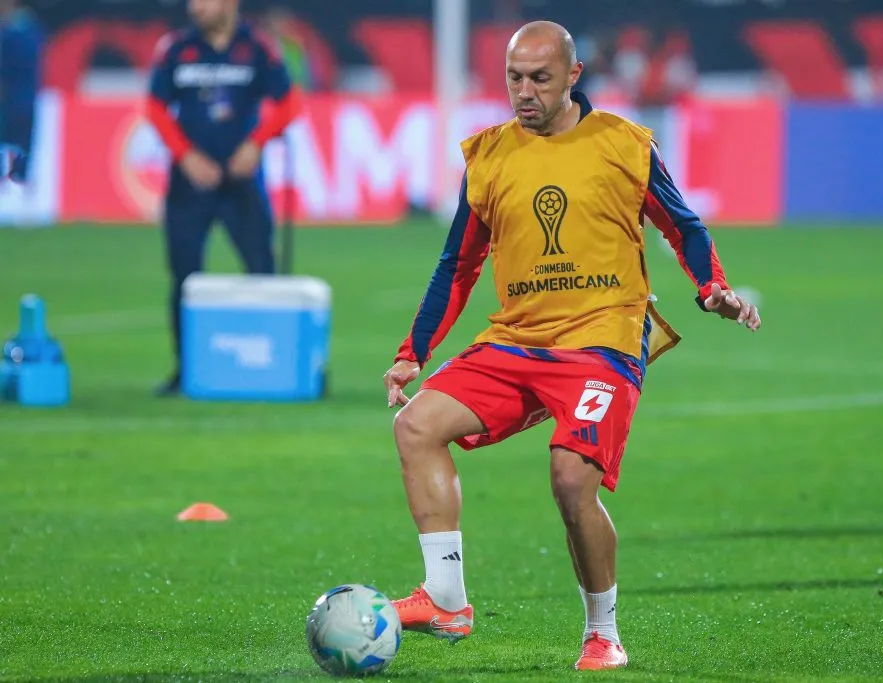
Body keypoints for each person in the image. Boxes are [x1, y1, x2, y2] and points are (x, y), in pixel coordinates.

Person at [382, 20, 761, 672]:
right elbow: (457, 264)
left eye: (539, 79)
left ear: (573, 76)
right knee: (416, 423)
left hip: (603, 341)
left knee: (569, 477)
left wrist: (712, 287)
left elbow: (684, 225)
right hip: (519, 339)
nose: (524, 92)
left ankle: (602, 631)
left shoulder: (623, 143)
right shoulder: (491, 154)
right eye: (514, 78)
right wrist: (414, 349)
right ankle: (446, 597)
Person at [145, 0, 302, 396]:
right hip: (189, 183)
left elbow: (289, 103)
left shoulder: (258, 48)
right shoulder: (177, 48)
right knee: (184, 276)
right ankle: (186, 371)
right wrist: (185, 156)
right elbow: (155, 107)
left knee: (261, 269)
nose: (193, 7)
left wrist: (256, 145)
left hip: (241, 180)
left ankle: (270, 363)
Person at [0, 0, 44, 184]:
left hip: (13, 99)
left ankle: (14, 182)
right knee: (21, 144)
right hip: (26, 98)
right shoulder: (33, 30)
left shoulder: (13, 34)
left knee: (13, 143)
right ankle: (17, 181)